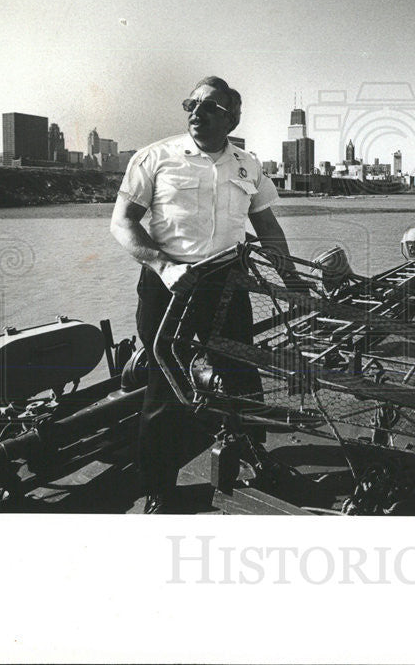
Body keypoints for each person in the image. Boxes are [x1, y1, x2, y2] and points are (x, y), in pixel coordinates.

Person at [110, 76, 296, 513]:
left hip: (228, 283)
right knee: (165, 387)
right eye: (191, 104)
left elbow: (268, 229)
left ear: (232, 116)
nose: (197, 112)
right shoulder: (154, 158)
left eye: (210, 107)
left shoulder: (248, 164)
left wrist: (296, 286)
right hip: (168, 284)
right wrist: (162, 265)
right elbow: (122, 223)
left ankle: (252, 451)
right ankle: (159, 488)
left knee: (243, 373)